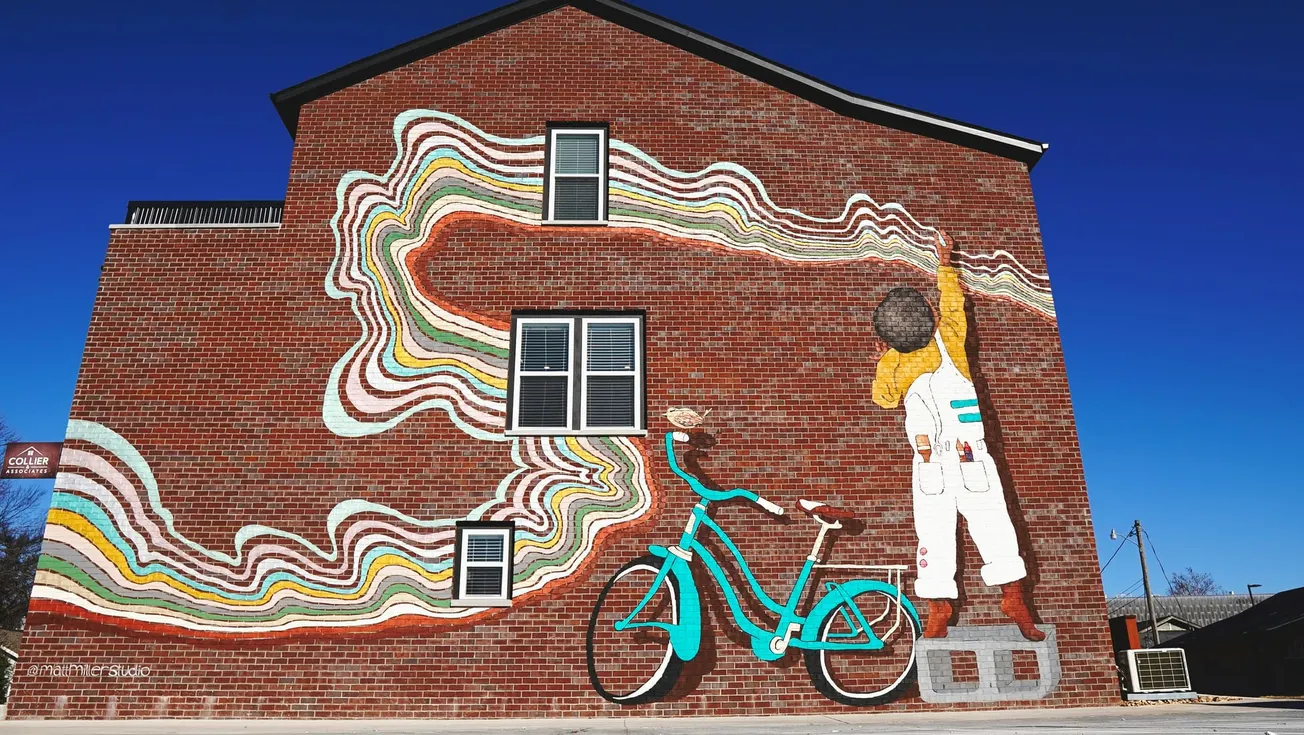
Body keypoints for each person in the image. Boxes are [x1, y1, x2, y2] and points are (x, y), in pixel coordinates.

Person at [870, 230, 1044, 641]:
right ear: (929, 316)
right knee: (995, 525)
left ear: (888, 336)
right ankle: (1013, 598)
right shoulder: (949, 338)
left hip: (928, 462)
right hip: (971, 456)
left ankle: (939, 608)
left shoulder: (892, 363)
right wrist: (945, 263)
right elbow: (953, 302)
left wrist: (880, 362)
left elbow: (883, 399)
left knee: (932, 534)